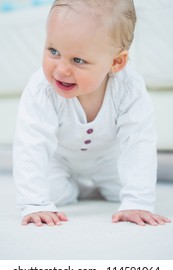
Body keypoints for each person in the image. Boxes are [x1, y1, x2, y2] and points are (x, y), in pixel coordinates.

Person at [13, 0, 171, 227]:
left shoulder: (129, 89)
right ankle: (75, 188)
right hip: (59, 158)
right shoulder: (41, 90)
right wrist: (35, 203)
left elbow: (139, 141)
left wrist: (137, 201)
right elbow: (31, 145)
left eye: (78, 60)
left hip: (108, 159)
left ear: (116, 62)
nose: (61, 69)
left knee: (122, 192)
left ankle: (98, 187)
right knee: (53, 194)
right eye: (53, 51)